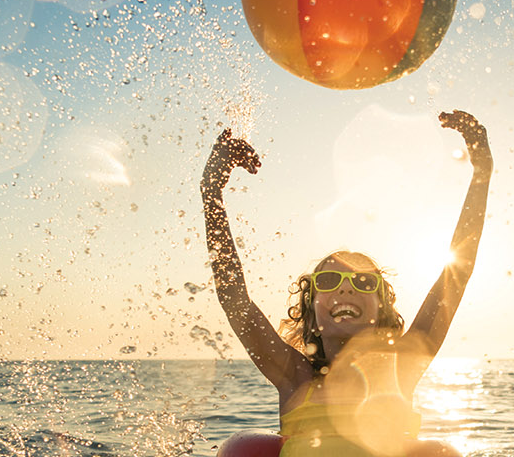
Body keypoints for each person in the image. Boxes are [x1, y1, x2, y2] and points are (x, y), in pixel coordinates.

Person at [200, 110, 492, 435]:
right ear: (311, 308)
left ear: (381, 306)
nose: (346, 288)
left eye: (363, 281)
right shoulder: (292, 375)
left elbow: (458, 272)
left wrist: (482, 173)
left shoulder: (403, 368)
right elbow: (235, 300)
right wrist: (210, 194)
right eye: (328, 280)